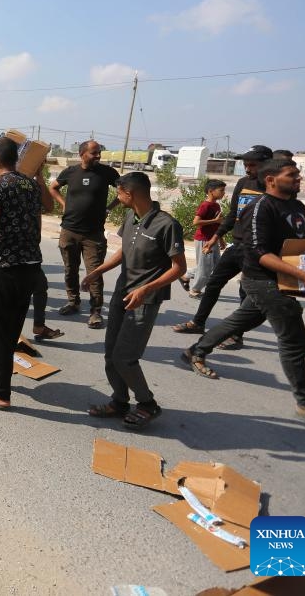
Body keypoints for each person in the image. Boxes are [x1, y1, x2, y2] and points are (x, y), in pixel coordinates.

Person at [182, 161, 305, 431]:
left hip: (283, 279)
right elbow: (259, 253)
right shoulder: (259, 208)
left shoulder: (296, 207)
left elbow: (303, 238)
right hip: (261, 280)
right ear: (271, 179)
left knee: (243, 319)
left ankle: (196, 350)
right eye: (292, 174)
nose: (299, 178)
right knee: (294, 339)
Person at [83, 172, 186, 430]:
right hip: (122, 293)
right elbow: (124, 250)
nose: (117, 198)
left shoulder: (166, 224)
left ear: (130, 193)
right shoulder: (131, 217)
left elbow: (179, 268)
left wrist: (146, 289)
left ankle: (147, 403)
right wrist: (99, 270)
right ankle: (119, 401)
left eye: (119, 193)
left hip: (144, 300)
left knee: (125, 357)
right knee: (110, 355)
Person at [0, 136, 51, 410]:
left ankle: (0, 393)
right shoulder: (30, 184)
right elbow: (42, 217)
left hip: (6, 267)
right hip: (30, 266)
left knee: (0, 330)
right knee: (12, 327)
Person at [172, 145, 274, 348]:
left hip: (257, 249)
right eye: (245, 164)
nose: (247, 169)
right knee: (214, 283)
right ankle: (198, 322)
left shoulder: (274, 187)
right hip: (237, 246)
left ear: (267, 164)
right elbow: (233, 213)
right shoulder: (243, 182)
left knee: (246, 291)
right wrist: (216, 237)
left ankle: (237, 336)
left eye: (252, 165)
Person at [49, 139, 120, 329]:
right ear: (82, 153)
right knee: (70, 269)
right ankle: (73, 301)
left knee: (94, 273)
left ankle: (96, 311)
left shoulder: (107, 173)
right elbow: (53, 187)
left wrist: (109, 209)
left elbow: (123, 191)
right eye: (94, 153)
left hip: (93, 234)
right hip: (69, 230)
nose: (98, 156)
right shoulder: (70, 172)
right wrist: (64, 204)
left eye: (99, 153)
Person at [179, 179, 226, 298]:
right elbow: (196, 222)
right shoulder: (205, 205)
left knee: (216, 266)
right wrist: (215, 220)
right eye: (221, 190)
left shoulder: (216, 205)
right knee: (205, 267)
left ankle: (186, 275)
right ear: (211, 191)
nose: (223, 193)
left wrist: (220, 239)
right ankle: (195, 290)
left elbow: (218, 224)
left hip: (213, 240)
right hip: (204, 240)